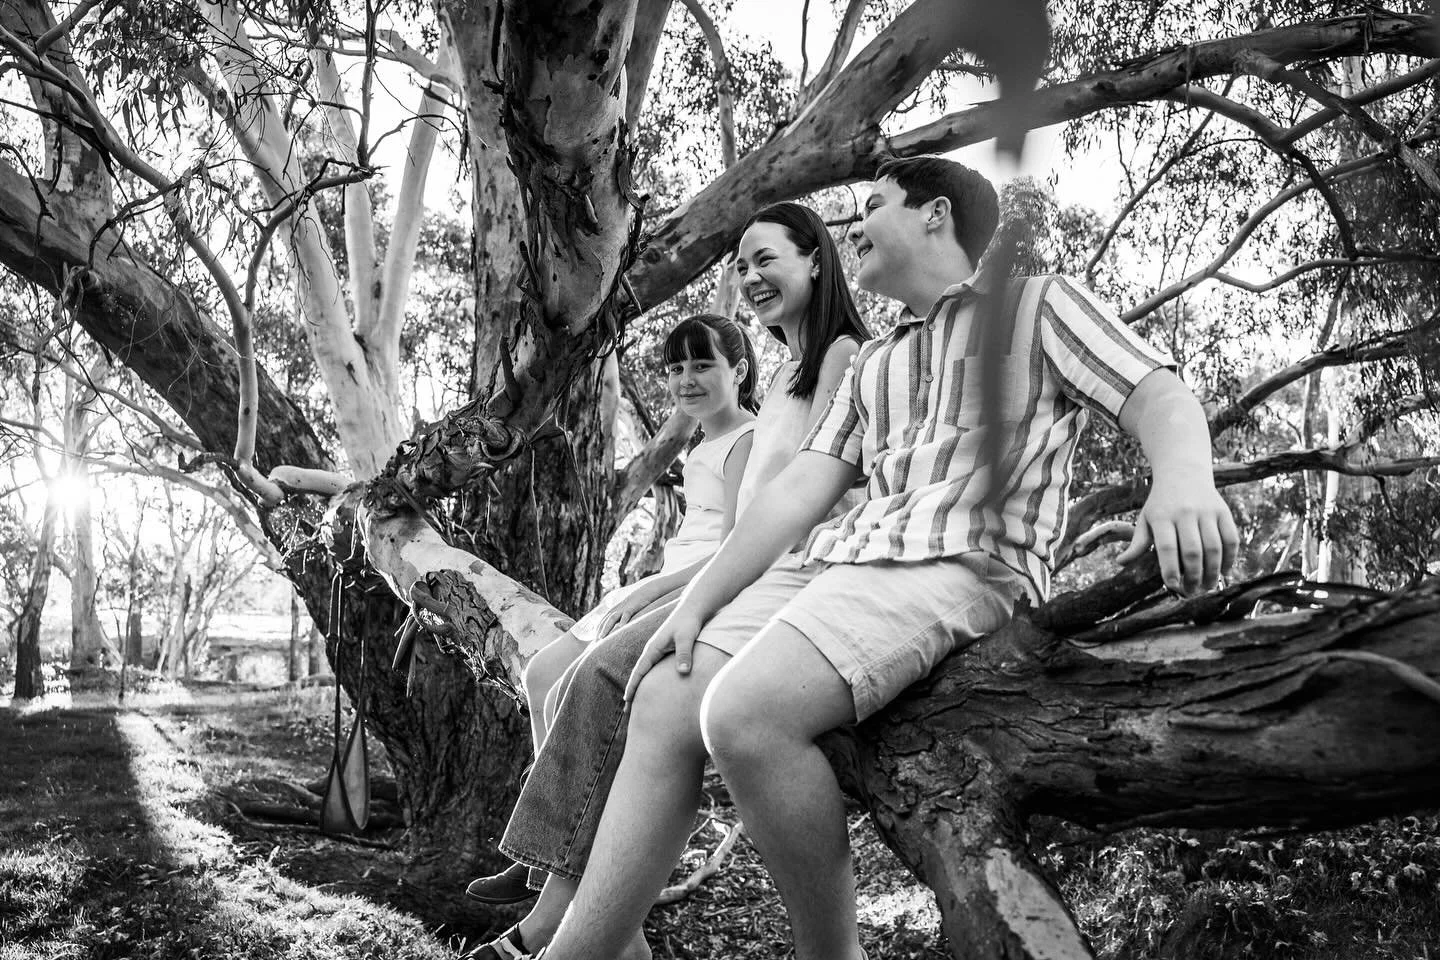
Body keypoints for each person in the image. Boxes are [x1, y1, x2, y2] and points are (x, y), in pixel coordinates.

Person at [535, 156, 1239, 960]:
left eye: (872, 206)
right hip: (842, 563)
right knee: (664, 694)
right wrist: (695, 603)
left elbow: (1156, 392)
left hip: (963, 558)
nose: (855, 227)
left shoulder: (1039, 303)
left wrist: (1184, 480)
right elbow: (797, 492)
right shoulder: (875, 362)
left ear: (935, 214)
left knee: (745, 715)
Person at [463, 202, 872, 960]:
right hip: (744, 572)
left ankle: (557, 913)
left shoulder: (843, 355)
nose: (750, 277)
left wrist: (683, 592)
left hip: (782, 582)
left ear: (817, 258)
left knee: (609, 677)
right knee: (584, 674)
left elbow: (809, 498)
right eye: (741, 266)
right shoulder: (792, 370)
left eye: (767, 259)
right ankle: (568, 902)